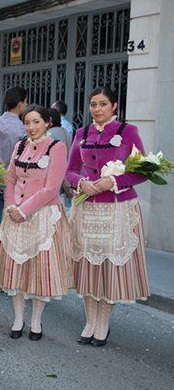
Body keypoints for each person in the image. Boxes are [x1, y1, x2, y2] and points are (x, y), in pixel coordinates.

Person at [65, 87, 149, 347]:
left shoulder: (128, 132)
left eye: (103, 104)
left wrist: (111, 181)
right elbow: (69, 171)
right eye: (93, 104)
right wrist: (81, 183)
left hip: (117, 208)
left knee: (109, 268)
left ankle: (103, 323)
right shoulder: (81, 133)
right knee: (89, 268)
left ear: (114, 107)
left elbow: (143, 170)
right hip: (86, 210)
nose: (97, 109)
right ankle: (90, 321)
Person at [0, 105, 72, 341]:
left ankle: (36, 321)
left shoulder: (56, 148)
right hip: (15, 213)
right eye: (27, 122)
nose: (31, 127)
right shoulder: (20, 145)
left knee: (39, 271)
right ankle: (18, 318)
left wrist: (24, 210)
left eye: (36, 122)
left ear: (47, 122)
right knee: (16, 270)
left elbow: (52, 187)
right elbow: (10, 179)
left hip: (43, 216)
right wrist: (11, 206)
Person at [0, 86, 28, 226]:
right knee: (12, 230)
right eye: (25, 102)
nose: (26, 105)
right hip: (14, 186)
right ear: (20, 104)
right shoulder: (23, 129)